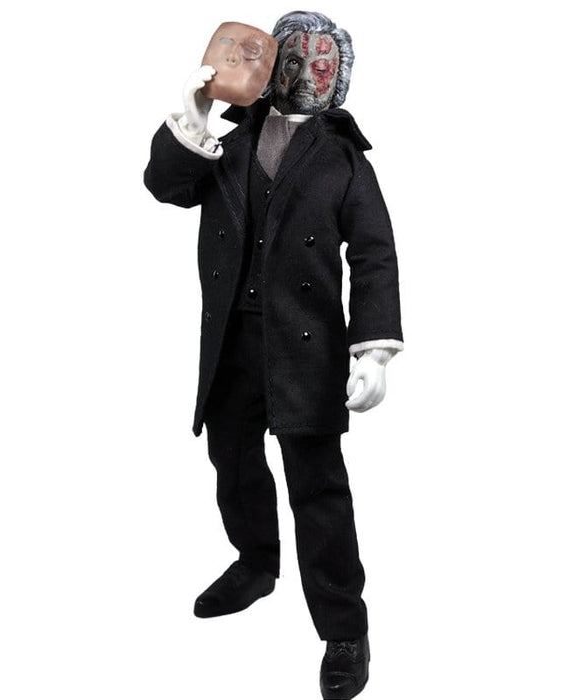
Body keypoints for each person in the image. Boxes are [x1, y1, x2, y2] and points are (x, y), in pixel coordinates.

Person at [143, 11, 403, 699]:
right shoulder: (227, 144)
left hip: (306, 347)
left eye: (324, 63)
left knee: (318, 489)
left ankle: (344, 628)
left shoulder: (344, 159)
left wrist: (373, 349)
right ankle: (256, 562)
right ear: (270, 66)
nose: (309, 73)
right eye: (296, 59)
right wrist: (193, 115)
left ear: (339, 77)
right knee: (232, 463)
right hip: (231, 338)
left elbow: (374, 254)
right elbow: (166, 186)